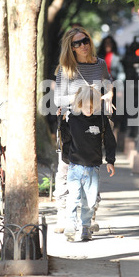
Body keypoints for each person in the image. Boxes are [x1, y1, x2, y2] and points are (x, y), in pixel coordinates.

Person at [53, 26, 113, 233]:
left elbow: (108, 84)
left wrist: (108, 95)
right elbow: (57, 99)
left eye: (85, 40)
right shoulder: (66, 68)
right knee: (65, 168)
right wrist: (82, 96)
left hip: (96, 122)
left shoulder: (100, 64)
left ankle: (90, 215)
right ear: (71, 47)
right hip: (72, 124)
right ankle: (63, 215)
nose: (83, 45)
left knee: (92, 168)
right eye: (77, 43)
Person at [63, 85, 116, 242]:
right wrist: (61, 119)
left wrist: (110, 161)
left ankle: (86, 227)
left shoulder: (101, 120)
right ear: (79, 104)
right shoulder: (72, 119)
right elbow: (65, 139)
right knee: (72, 198)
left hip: (93, 167)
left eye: (93, 107)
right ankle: (71, 226)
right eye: (86, 106)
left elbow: (109, 141)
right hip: (75, 166)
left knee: (89, 201)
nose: (89, 109)